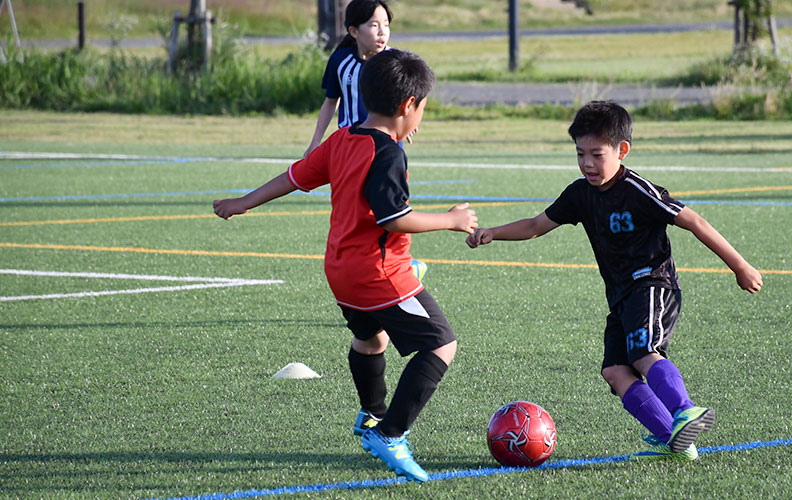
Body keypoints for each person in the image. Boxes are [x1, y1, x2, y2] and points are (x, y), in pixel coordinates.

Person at [214, 49, 477, 482]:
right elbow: (393, 217)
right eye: (423, 107)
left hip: (340, 272)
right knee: (440, 343)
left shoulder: (342, 138)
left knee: (371, 340)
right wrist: (451, 220)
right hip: (379, 274)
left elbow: (294, 177)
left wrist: (245, 202)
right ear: (408, 106)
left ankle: (371, 414)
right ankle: (391, 433)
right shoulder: (388, 154)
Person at [466, 100, 762, 461]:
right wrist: (492, 232)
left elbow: (693, 221)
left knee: (642, 354)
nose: (587, 163)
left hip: (653, 283)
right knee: (615, 371)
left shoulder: (637, 189)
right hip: (621, 296)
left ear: (622, 151)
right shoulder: (580, 194)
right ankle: (673, 438)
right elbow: (535, 226)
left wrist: (739, 265)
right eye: (579, 154)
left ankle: (686, 409)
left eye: (596, 154)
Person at [304, 0, 402, 158]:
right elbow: (331, 101)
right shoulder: (340, 60)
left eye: (386, 24)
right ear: (354, 31)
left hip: (388, 145)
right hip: (350, 144)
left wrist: (409, 123)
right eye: (374, 25)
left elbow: (411, 98)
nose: (382, 31)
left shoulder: (396, 61)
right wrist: (315, 141)